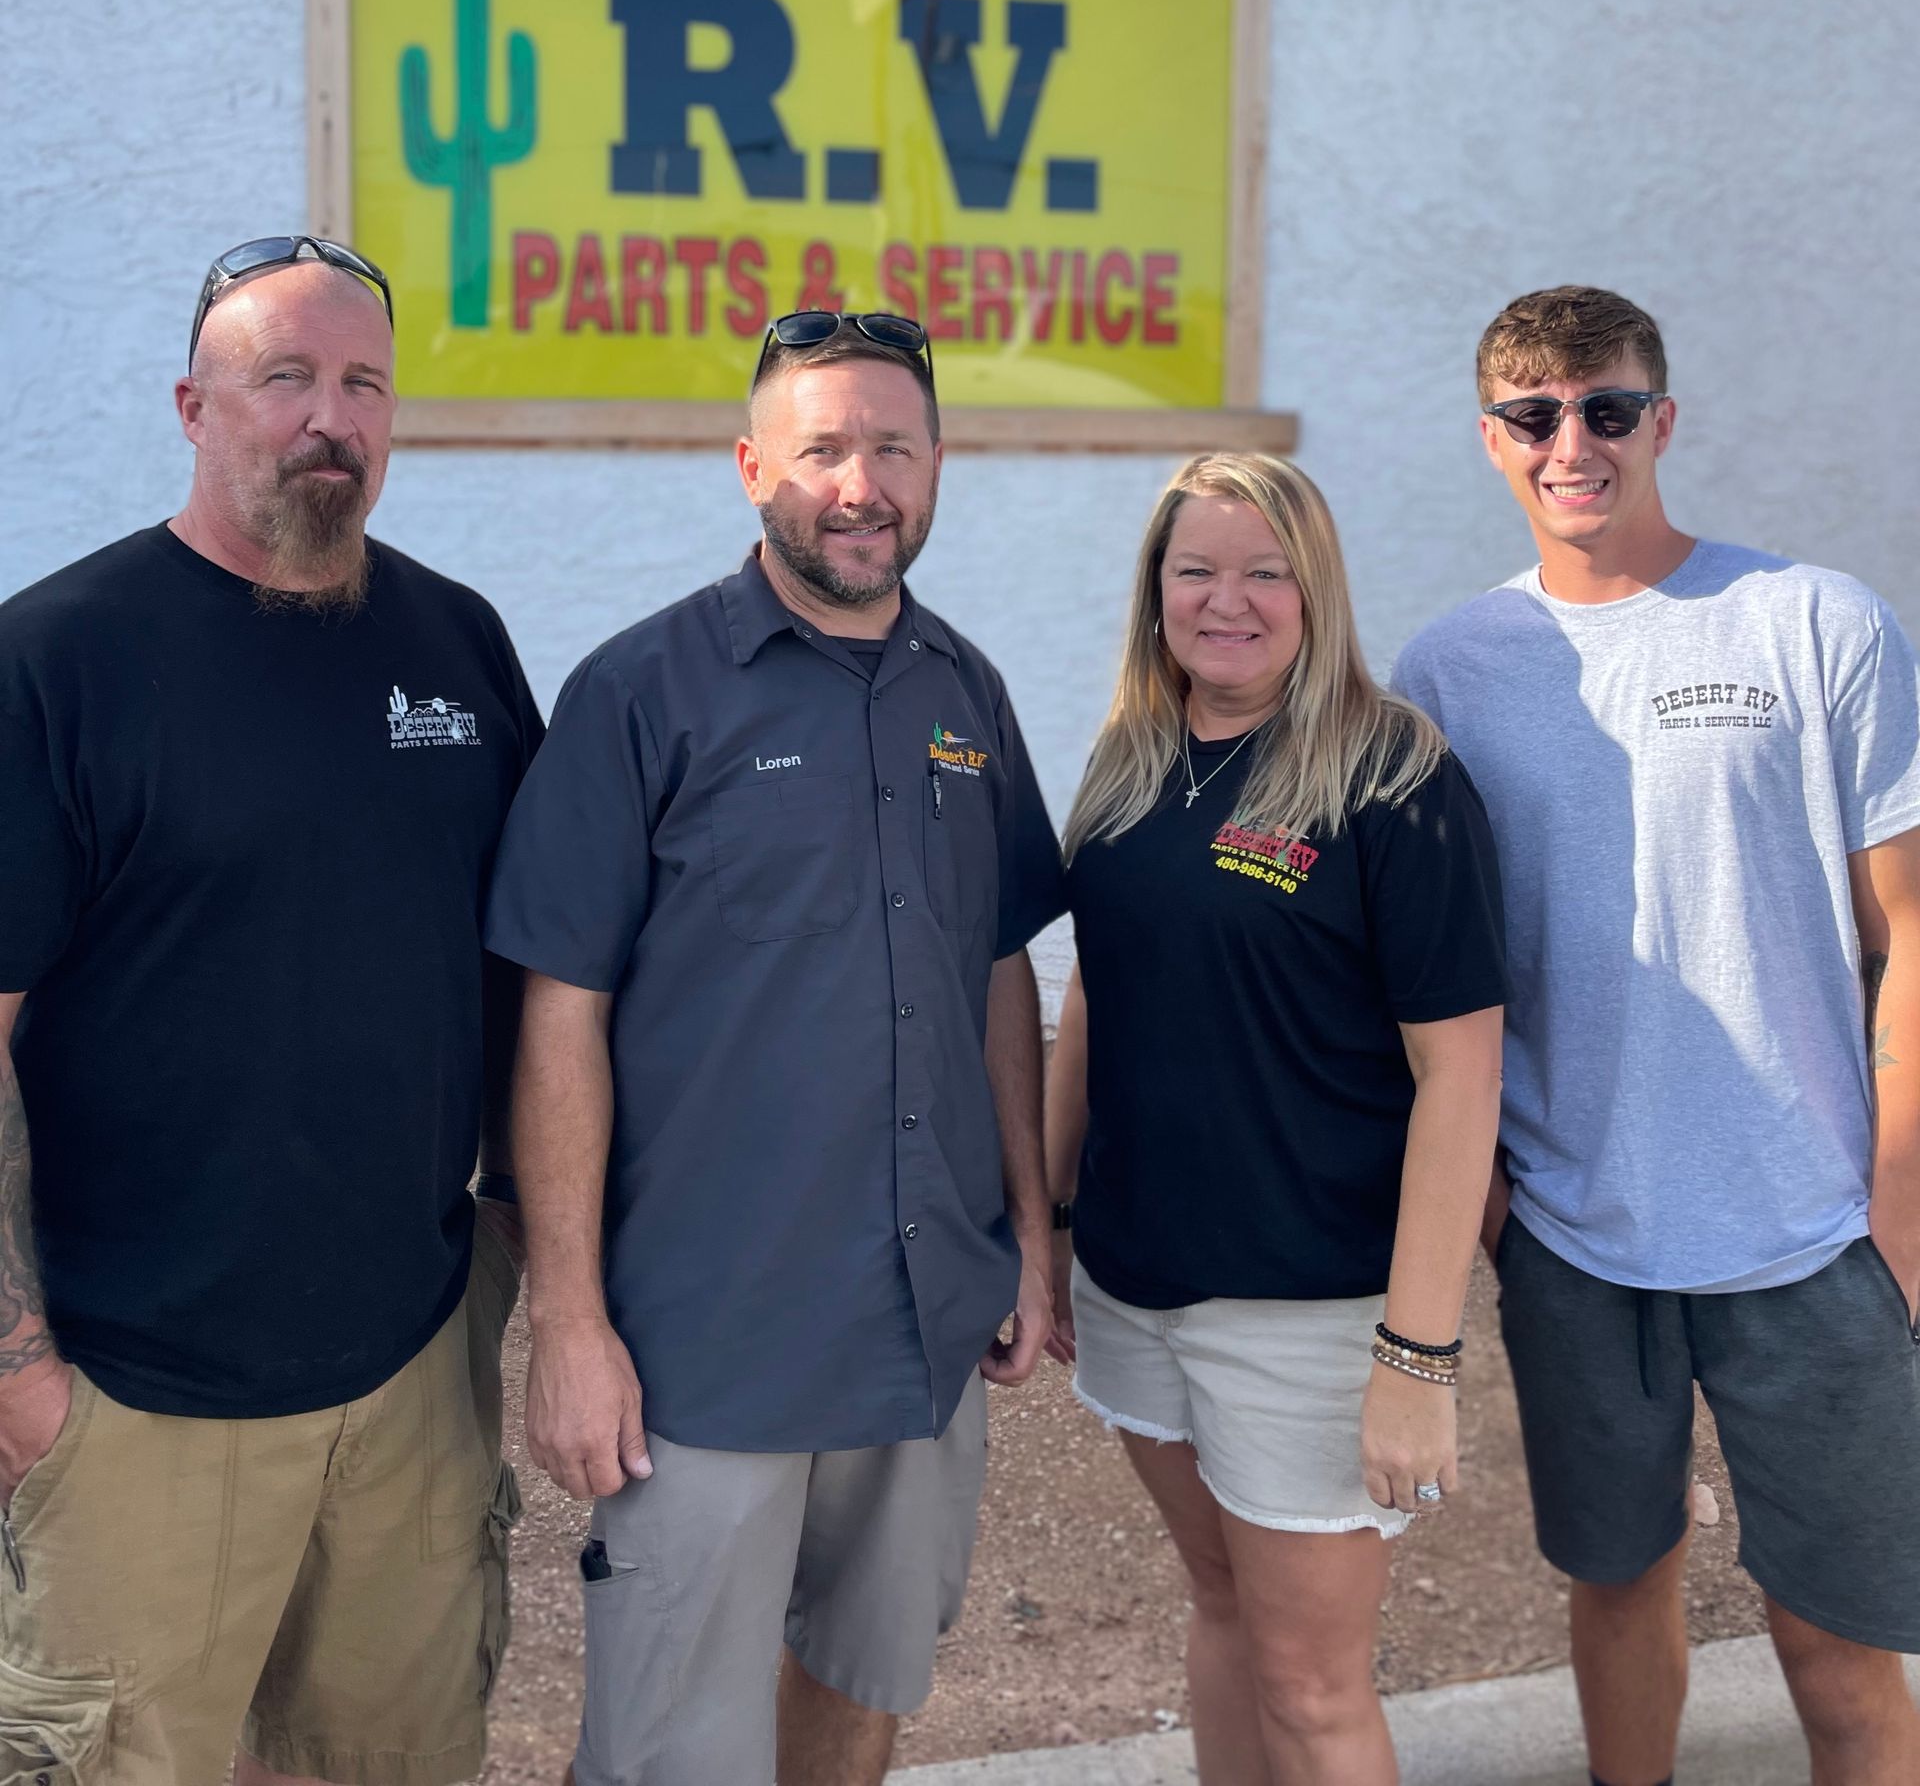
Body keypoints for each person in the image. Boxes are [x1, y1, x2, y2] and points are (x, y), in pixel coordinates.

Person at [483, 308, 1064, 1786]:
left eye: (894, 449)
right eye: (823, 451)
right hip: (710, 1341)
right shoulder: (640, 694)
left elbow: (998, 964)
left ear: (937, 468)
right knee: (671, 1749)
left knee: (864, 1687)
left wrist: (1027, 1234)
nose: (861, 486)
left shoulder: (967, 691)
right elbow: (560, 1011)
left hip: (922, 1320)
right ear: (754, 469)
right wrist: (568, 1323)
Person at [0, 234, 542, 1786]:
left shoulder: (457, 643)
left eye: (364, 383)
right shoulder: (58, 662)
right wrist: (17, 1372)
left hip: (410, 1380)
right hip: (135, 1399)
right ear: (193, 405)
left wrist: (514, 1253)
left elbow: (534, 978)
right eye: (285, 376)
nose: (330, 417)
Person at [1394, 282, 1920, 1786]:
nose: (1573, 444)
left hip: (1813, 1239)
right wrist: (1496, 1208)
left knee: (1838, 1652)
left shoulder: (1815, 622)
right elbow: (1438, 972)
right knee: (1619, 1596)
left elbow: (1910, 934)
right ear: (1492, 439)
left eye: (1606, 409)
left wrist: (1896, 1220)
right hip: (1576, 1243)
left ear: (1661, 420)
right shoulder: (1449, 672)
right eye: (1534, 417)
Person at [1045, 451, 1506, 1786]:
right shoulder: (1134, 763)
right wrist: (1056, 1222)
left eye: (1266, 573)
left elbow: (1462, 1079)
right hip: (1136, 1288)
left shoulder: (1395, 780)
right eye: (1196, 570)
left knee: (1312, 1686)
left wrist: (1418, 1356)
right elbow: (1093, 1000)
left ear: (1318, 590)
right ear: (1157, 590)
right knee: (1223, 1606)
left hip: (1307, 1313)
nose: (1227, 600)